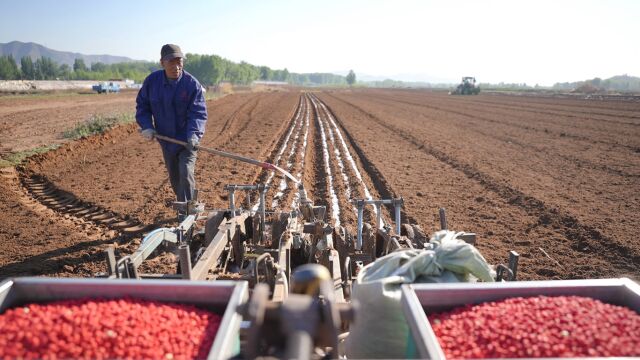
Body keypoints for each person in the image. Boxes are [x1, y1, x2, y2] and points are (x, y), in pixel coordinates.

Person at [135, 44, 208, 212]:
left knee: (185, 171)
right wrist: (147, 126)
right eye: (171, 62)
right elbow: (142, 106)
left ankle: (189, 212)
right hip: (166, 140)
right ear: (162, 63)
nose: (176, 66)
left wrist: (194, 136)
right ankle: (183, 205)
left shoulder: (191, 85)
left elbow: (198, 113)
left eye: (179, 61)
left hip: (187, 140)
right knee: (175, 177)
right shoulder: (152, 82)